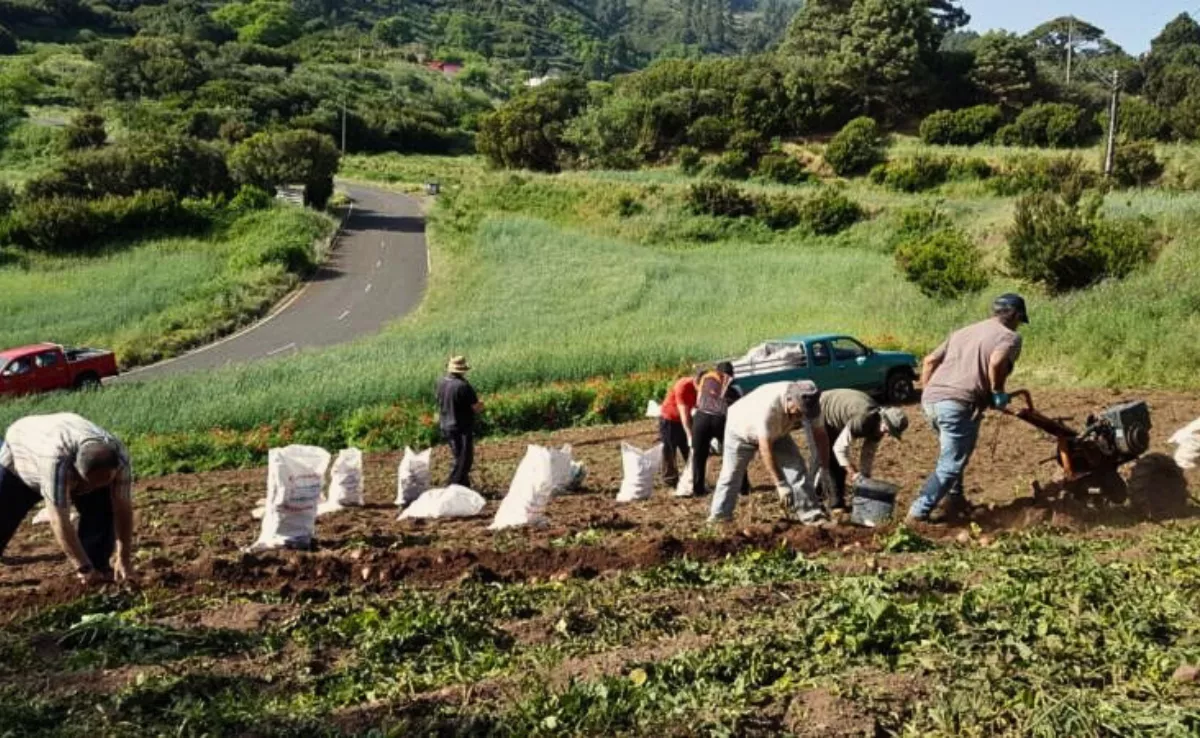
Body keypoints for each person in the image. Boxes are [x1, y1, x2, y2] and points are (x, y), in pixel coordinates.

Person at [908, 293, 1028, 523]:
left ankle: (954, 500)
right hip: (959, 404)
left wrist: (928, 392)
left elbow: (929, 361)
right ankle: (917, 513)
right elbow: (996, 362)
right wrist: (997, 391)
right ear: (1015, 315)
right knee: (951, 463)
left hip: (931, 401)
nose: (1018, 325)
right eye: (1019, 320)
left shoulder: (963, 332)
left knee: (952, 453)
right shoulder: (1009, 336)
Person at [0, 413, 136, 585]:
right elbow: (59, 520)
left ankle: (97, 571)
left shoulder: (120, 457)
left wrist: (124, 558)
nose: (93, 488)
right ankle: (88, 571)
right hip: (23, 452)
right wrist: (82, 567)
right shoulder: (56, 462)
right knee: (3, 516)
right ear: (76, 470)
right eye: (90, 483)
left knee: (102, 506)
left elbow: (123, 508)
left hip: (62, 436)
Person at [709, 380, 832, 525]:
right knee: (731, 475)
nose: (801, 417)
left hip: (777, 431)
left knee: (796, 467)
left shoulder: (811, 404)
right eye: (799, 412)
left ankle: (811, 515)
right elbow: (765, 448)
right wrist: (781, 484)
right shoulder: (769, 408)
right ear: (789, 399)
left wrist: (825, 468)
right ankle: (719, 518)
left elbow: (820, 435)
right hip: (740, 430)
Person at [820, 389, 908, 511]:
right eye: (888, 429)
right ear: (883, 419)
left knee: (840, 464)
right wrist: (853, 473)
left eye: (891, 432)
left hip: (841, 415)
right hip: (822, 409)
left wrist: (865, 478)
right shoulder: (863, 419)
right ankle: (817, 501)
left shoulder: (880, 428)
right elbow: (839, 448)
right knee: (825, 457)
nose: (887, 434)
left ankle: (837, 503)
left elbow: (868, 453)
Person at [688, 362, 747, 497]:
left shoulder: (705, 380)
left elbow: (698, 396)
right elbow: (738, 407)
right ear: (732, 374)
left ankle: (698, 490)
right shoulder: (734, 388)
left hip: (701, 418)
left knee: (699, 456)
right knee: (733, 452)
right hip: (720, 419)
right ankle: (743, 487)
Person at [436, 356, 484, 488]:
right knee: (465, 460)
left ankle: (464, 486)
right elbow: (475, 408)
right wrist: (481, 405)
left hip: (445, 424)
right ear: (462, 370)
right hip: (461, 427)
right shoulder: (463, 386)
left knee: (459, 457)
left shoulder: (440, 382)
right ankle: (452, 485)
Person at [658, 374, 699, 488]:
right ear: (695, 382)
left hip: (686, 418)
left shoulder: (704, 387)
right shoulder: (682, 386)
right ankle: (670, 479)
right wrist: (690, 435)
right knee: (670, 450)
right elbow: (684, 415)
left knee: (689, 450)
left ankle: (693, 476)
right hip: (669, 419)